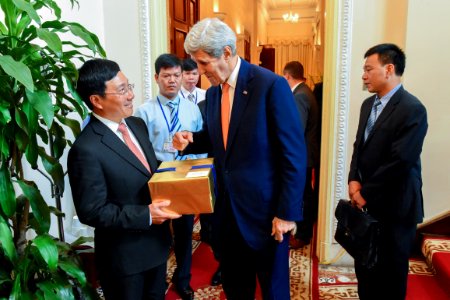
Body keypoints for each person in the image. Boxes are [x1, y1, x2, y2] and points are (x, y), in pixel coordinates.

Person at [173, 18, 307, 299]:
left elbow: (293, 155)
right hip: (226, 215)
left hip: (267, 216)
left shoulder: (269, 86)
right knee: (235, 288)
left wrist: (286, 213)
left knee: (273, 290)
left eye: (203, 63)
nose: (198, 71)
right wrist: (189, 140)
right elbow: (218, 139)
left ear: (226, 52)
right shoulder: (212, 95)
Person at [68, 58, 181, 300]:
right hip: (124, 260)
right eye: (121, 90)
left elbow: (149, 171)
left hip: (157, 247)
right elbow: (92, 211)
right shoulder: (86, 149)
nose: (130, 95)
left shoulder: (136, 125)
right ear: (96, 101)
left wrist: (181, 176)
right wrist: (147, 215)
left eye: (129, 87)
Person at [348, 43, 428, 300]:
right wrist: (352, 179)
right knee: (365, 268)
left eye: (368, 69)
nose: (364, 75)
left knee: (390, 276)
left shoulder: (412, 109)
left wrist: (365, 193)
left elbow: (400, 161)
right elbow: (358, 147)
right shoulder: (367, 105)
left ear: (389, 69)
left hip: (396, 207)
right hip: (367, 204)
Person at [134, 53, 203, 300]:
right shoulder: (144, 112)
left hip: (184, 178)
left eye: (176, 75)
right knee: (159, 233)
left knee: (184, 232)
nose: (172, 81)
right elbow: (140, 151)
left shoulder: (193, 109)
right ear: (156, 78)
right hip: (158, 179)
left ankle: (182, 279)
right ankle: (156, 278)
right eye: (166, 76)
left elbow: (200, 145)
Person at [283, 61, 320, 248]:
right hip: (306, 154)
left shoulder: (300, 96)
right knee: (305, 193)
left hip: (302, 156)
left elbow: (296, 130)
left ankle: (304, 235)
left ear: (287, 76)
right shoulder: (305, 91)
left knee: (303, 195)